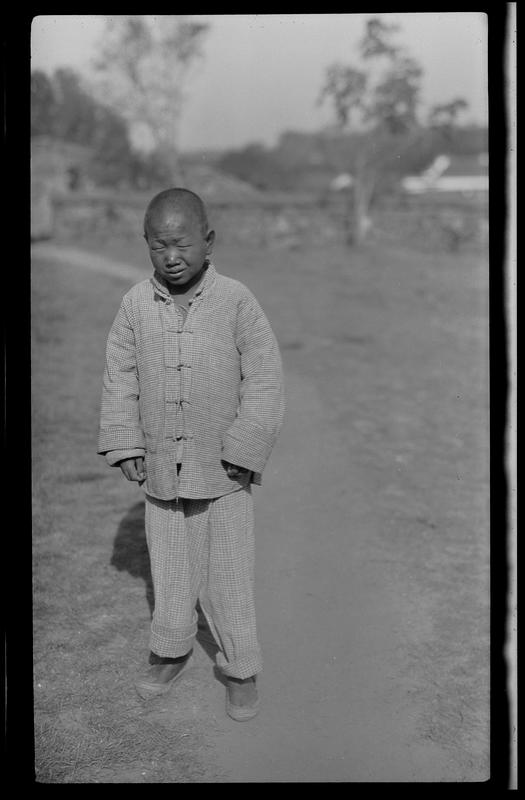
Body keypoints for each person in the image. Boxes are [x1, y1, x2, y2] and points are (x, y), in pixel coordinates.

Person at [98, 188, 285, 721]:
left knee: (228, 572)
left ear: (208, 241)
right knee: (172, 569)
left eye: (181, 245)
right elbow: (121, 375)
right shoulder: (135, 304)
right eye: (159, 247)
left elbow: (265, 375)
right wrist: (126, 441)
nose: (171, 258)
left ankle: (241, 667)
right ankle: (171, 651)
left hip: (223, 469)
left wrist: (246, 446)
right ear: (146, 246)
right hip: (162, 467)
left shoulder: (236, 300)